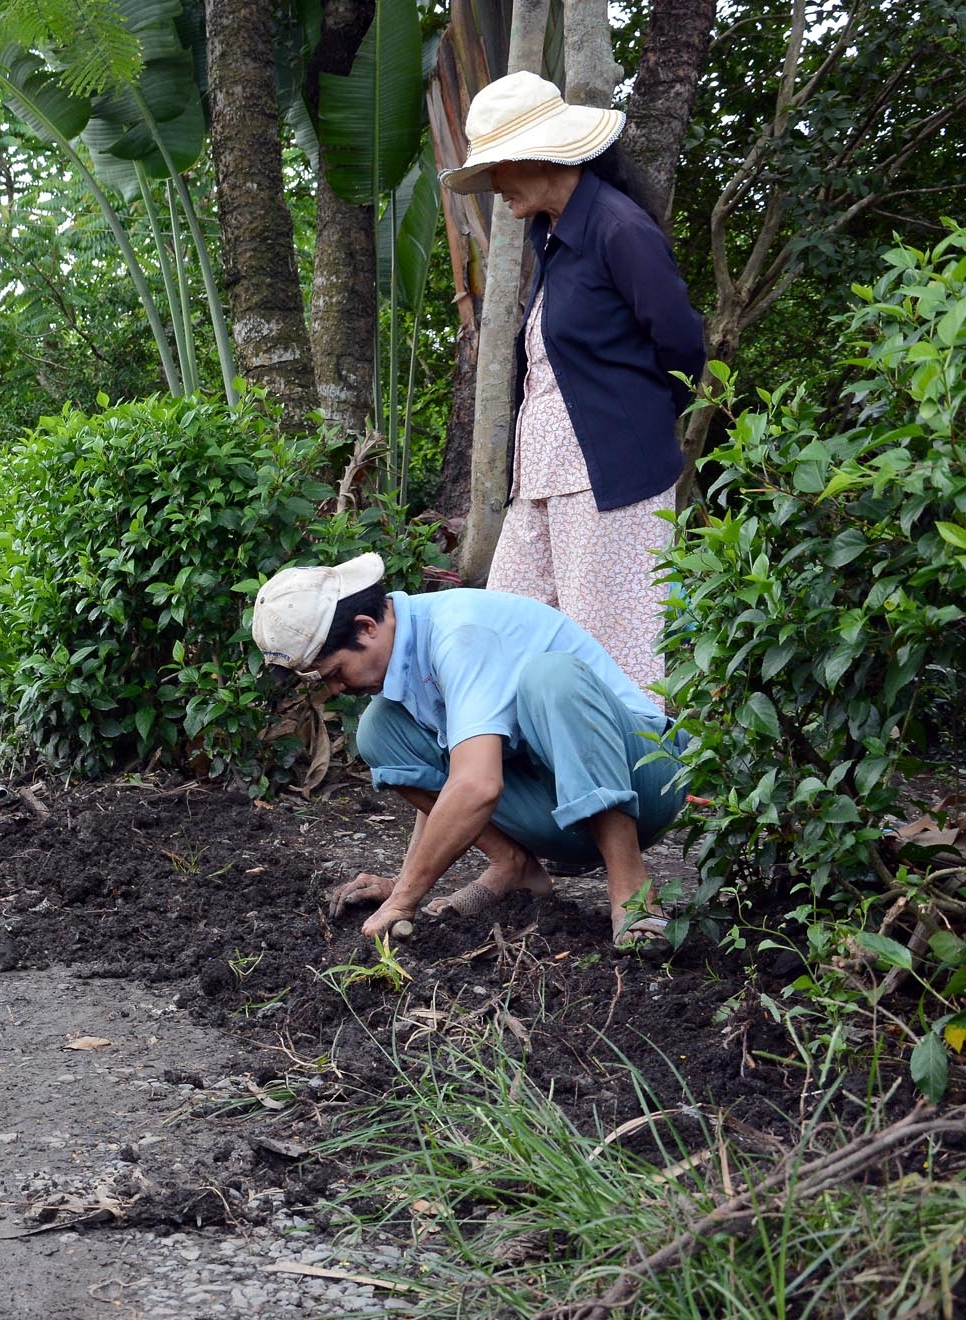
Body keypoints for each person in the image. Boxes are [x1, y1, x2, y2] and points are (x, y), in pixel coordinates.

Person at [251, 552, 685, 949]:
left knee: (552, 677)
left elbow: (476, 786)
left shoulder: (459, 633)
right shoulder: (407, 658)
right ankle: (512, 866)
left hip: (645, 778)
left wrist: (406, 899)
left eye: (335, 672)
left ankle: (632, 891)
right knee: (380, 728)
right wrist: (402, 881)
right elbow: (452, 774)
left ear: (366, 626)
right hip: (560, 808)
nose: (337, 688)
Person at [441, 72, 706, 698]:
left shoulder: (619, 228)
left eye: (499, 168)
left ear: (538, 157)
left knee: (614, 647)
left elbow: (681, 342)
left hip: (609, 474)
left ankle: (635, 792)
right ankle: (526, 779)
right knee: (508, 629)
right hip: (541, 474)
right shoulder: (552, 232)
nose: (496, 185)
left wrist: (638, 424)